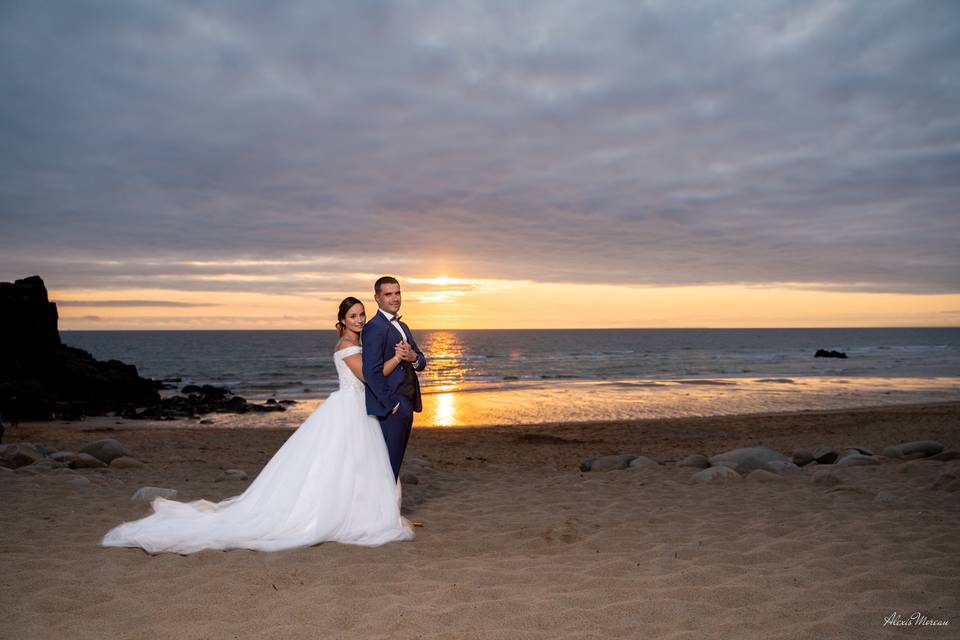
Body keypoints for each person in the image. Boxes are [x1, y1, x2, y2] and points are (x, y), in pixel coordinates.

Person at [100, 297, 414, 554]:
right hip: (349, 408)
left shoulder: (357, 342)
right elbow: (368, 377)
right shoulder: (346, 346)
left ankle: (356, 510)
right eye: (353, 316)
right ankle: (340, 515)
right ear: (342, 321)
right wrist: (398, 359)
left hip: (358, 408)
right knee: (342, 463)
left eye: (361, 315)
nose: (359, 320)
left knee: (354, 465)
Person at [361, 277, 427, 484]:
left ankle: (387, 512)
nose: (395, 298)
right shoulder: (374, 327)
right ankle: (382, 514)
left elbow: (422, 361)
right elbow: (371, 372)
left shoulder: (403, 326)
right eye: (388, 294)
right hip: (393, 406)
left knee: (394, 464)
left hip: (407, 400)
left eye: (397, 293)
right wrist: (392, 404)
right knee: (388, 465)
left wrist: (413, 358)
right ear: (377, 298)